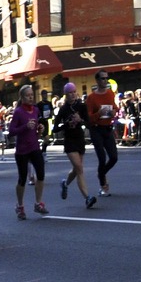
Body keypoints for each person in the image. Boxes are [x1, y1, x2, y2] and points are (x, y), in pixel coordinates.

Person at [55, 82, 98, 210]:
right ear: (65, 95)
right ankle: (87, 197)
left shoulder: (82, 106)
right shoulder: (63, 109)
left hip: (79, 139)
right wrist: (66, 123)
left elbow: (89, 124)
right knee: (79, 168)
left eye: (74, 92)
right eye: (70, 92)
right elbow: (55, 128)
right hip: (69, 141)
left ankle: (65, 183)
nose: (73, 94)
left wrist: (81, 121)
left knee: (76, 169)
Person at [10, 85, 48, 219]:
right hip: (22, 150)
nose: (31, 97)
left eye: (32, 95)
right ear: (22, 97)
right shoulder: (18, 112)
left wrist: (39, 128)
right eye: (28, 95)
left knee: (41, 174)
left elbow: (35, 128)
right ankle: (20, 206)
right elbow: (11, 131)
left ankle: (38, 203)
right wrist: (25, 127)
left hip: (34, 147)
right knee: (22, 178)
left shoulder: (36, 110)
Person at [85, 76, 120, 195]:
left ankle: (101, 173)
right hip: (96, 129)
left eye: (107, 78)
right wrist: (98, 114)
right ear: (97, 81)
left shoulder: (110, 93)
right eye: (103, 78)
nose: (105, 81)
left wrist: (114, 112)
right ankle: (103, 185)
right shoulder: (91, 98)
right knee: (102, 158)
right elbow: (88, 118)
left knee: (114, 157)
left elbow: (115, 107)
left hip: (107, 128)